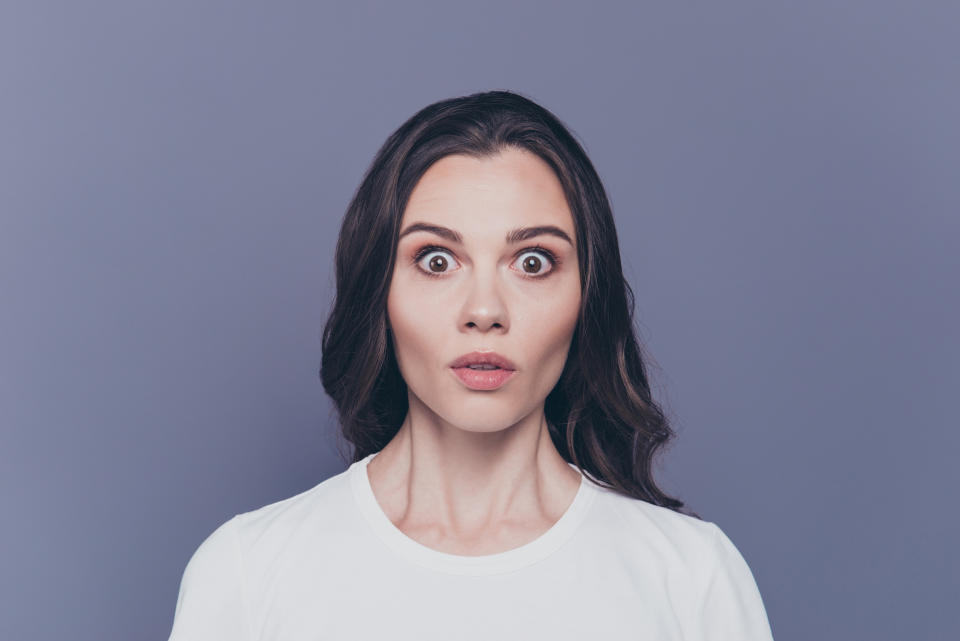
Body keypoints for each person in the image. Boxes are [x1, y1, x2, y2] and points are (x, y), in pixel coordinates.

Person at [166, 90, 775, 640]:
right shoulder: (247, 573)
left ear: (588, 297)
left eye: (533, 262)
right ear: (378, 289)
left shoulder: (691, 577)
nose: (485, 310)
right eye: (436, 260)